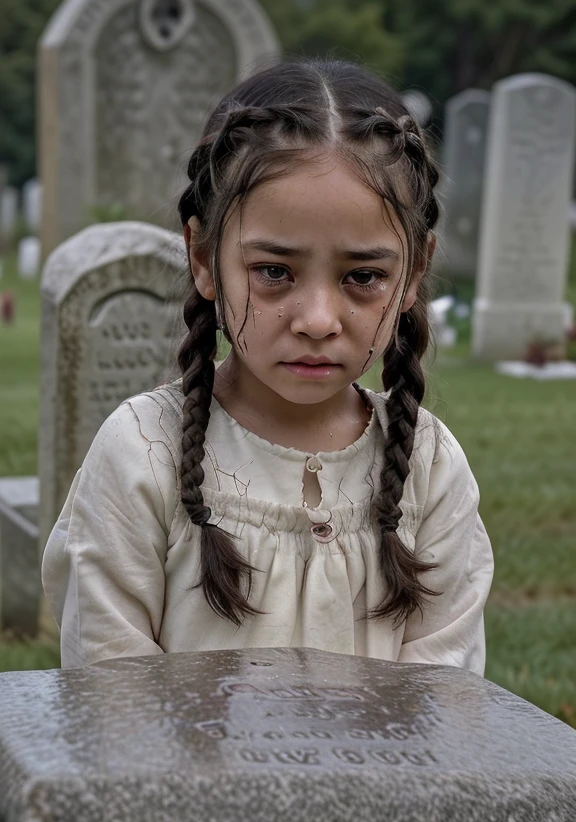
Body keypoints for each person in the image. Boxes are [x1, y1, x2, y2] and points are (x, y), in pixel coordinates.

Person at [42, 58, 493, 671]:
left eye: (363, 276)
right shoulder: (142, 457)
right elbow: (112, 698)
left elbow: (446, 707)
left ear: (413, 272)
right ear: (203, 257)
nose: (317, 318)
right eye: (274, 271)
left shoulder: (429, 472)